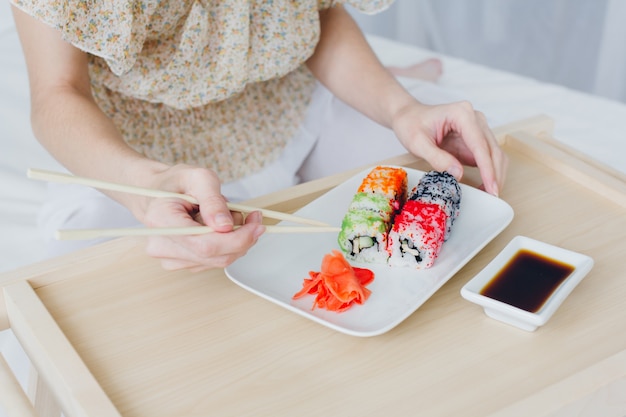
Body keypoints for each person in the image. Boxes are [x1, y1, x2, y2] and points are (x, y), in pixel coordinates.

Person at [10, 0, 507, 272]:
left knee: (432, 176)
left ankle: (407, 77)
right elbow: (56, 92)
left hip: (284, 99)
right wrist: (147, 185)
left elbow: (318, 13)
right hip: (132, 147)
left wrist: (404, 108)